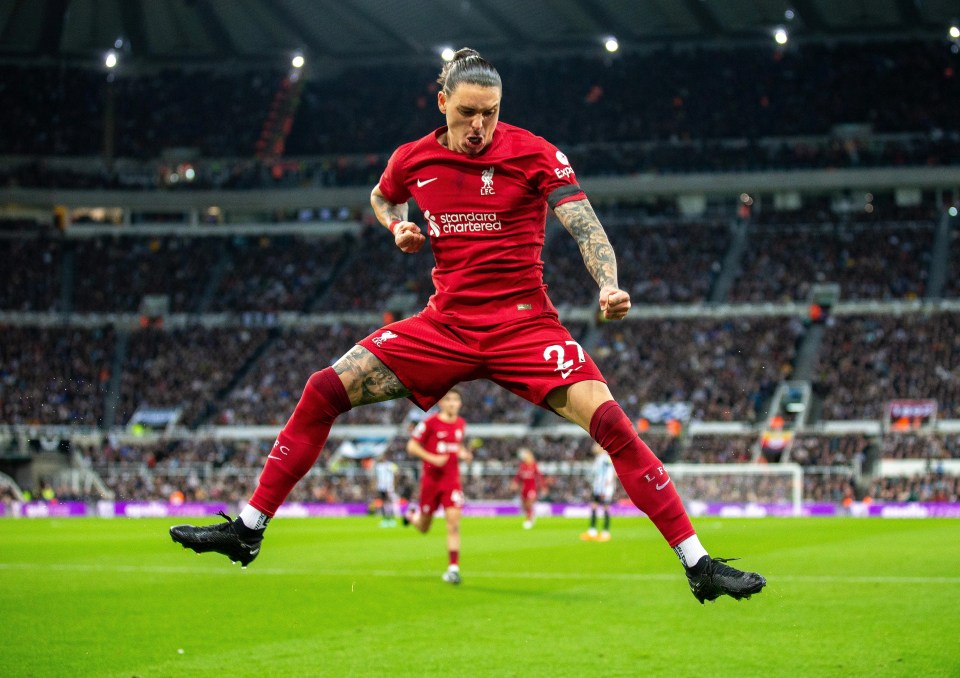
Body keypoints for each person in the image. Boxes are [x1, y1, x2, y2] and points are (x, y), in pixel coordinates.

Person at [170, 47, 766, 604]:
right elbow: (382, 196)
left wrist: (607, 282)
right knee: (322, 389)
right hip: (445, 326)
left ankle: (698, 565)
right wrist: (396, 224)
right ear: (441, 104)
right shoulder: (413, 158)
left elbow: (585, 225)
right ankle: (248, 530)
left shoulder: (534, 152)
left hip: (525, 326)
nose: (478, 126)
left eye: (490, 113)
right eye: (466, 113)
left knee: (612, 423)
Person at [401, 388, 472, 584]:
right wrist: (432, 458)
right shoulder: (429, 423)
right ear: (441, 403)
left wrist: (463, 453)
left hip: (451, 481)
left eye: (455, 400)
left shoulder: (460, 424)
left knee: (454, 524)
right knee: (424, 527)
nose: (451, 403)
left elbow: (455, 445)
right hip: (431, 481)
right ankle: (412, 516)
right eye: (448, 399)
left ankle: (453, 568)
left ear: (460, 404)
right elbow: (412, 446)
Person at [580, 443, 615, 542]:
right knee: (594, 506)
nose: (594, 447)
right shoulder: (599, 458)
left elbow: (610, 471)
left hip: (605, 487)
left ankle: (605, 532)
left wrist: (607, 484)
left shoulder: (606, 458)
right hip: (598, 486)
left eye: (596, 446)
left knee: (605, 507)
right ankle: (592, 531)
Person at [512, 447, 543, 529]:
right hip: (524, 488)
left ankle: (528, 520)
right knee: (524, 505)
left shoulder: (534, 466)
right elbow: (518, 477)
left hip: (532, 488)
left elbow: (539, 476)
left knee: (529, 503)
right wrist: (514, 483)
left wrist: (542, 486)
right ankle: (530, 516)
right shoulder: (522, 466)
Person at [373, 454, 400, 527]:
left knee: (389, 502)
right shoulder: (378, 466)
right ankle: (385, 519)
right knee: (383, 502)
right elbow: (376, 477)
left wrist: (394, 483)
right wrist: (375, 485)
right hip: (381, 487)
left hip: (389, 486)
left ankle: (391, 519)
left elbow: (397, 473)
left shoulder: (391, 465)